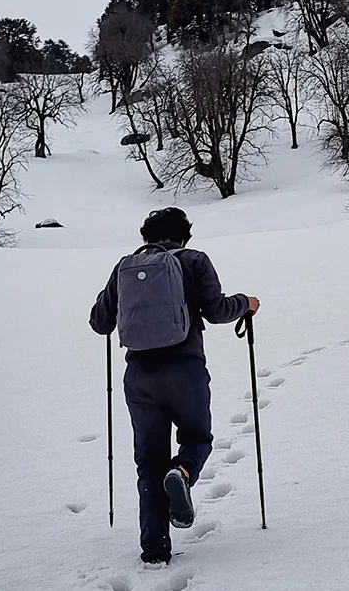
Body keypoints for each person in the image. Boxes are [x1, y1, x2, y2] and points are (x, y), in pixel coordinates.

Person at [89, 207, 259, 566]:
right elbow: (216, 310)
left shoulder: (125, 267)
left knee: (148, 461)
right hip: (185, 369)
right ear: (184, 236)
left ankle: (154, 551)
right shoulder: (194, 260)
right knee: (197, 439)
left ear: (146, 236)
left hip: (139, 377)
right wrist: (246, 304)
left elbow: (99, 322)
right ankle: (181, 471)